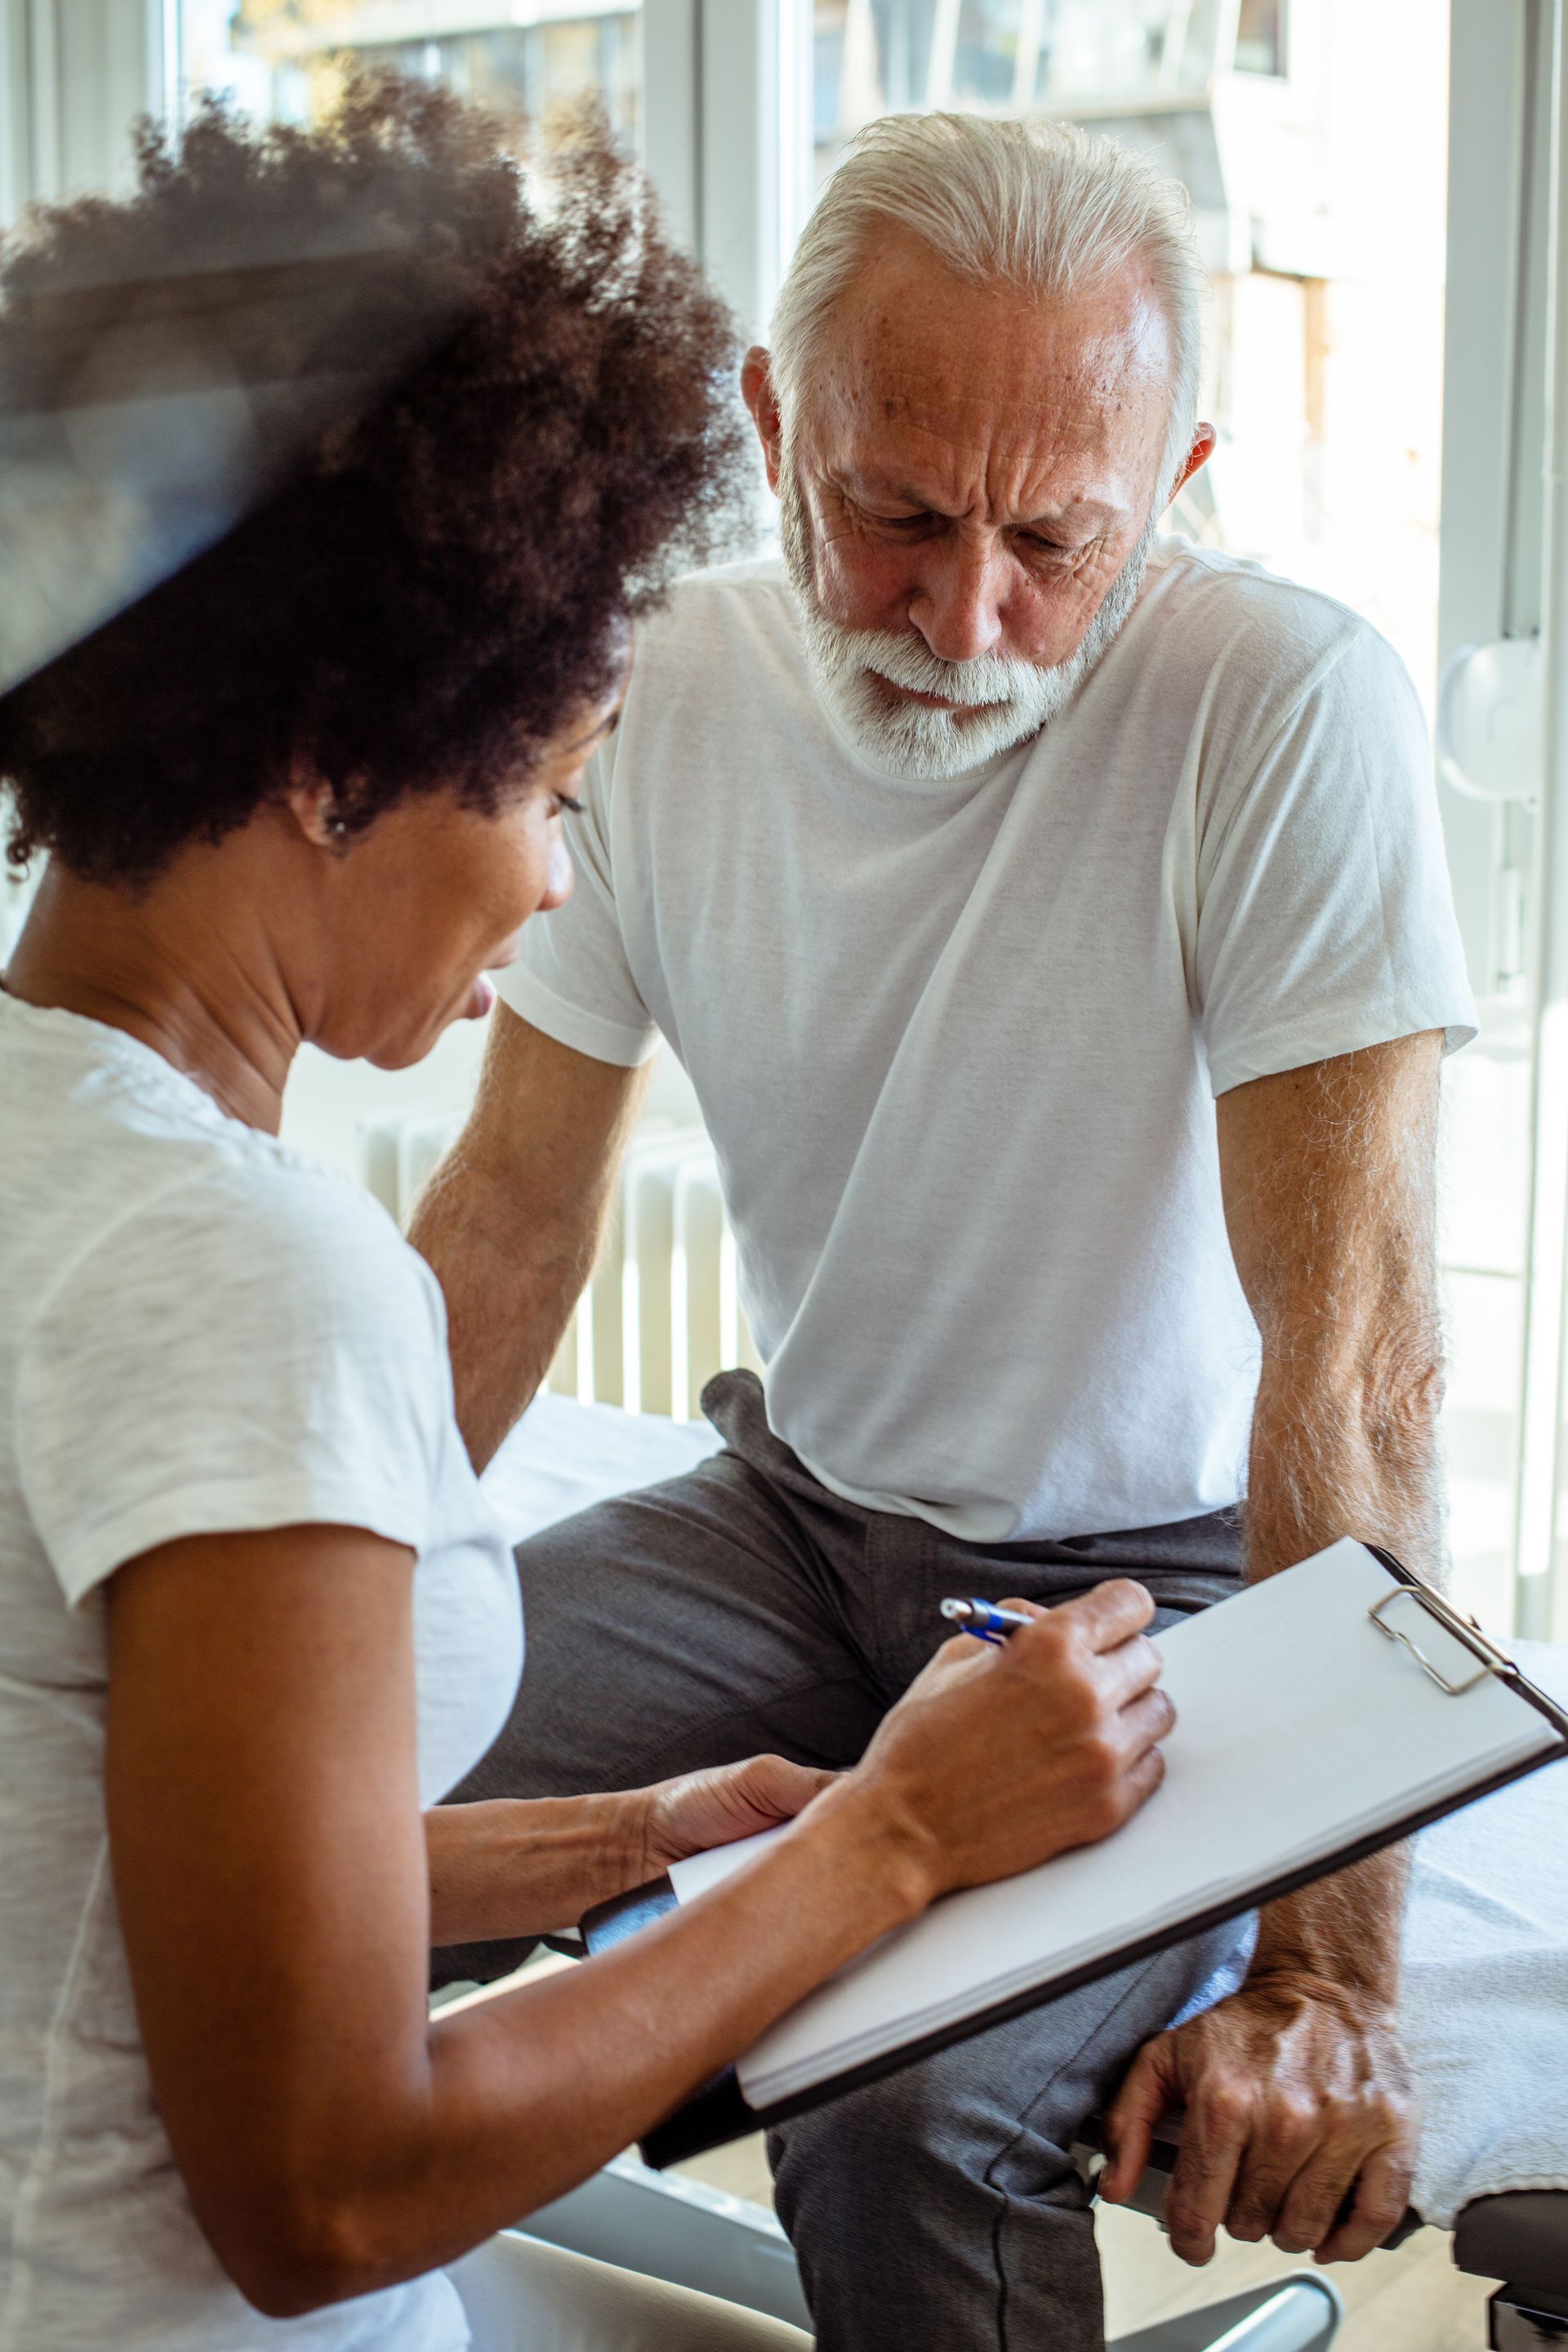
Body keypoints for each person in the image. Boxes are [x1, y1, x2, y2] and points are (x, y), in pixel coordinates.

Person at [0, 88, 1182, 2352]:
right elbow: (330, 2187)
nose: (559, 875)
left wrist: (640, 1844)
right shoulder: (258, 1282)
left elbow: (138, 1872)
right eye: (549, 787)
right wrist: (886, 1843)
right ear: (342, 753)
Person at [414, 110, 1479, 2352]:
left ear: (1175, 475)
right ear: (781, 425)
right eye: (894, 514)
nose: (967, 615)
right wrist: (306, 1626)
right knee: (263, 1838)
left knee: (892, 2112)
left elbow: (1358, 1358)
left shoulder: (1276, 708)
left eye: (1054, 542)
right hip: (792, 1522)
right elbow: (508, 1225)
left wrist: (1324, 1974)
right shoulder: (661, 692)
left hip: (1167, 1589)